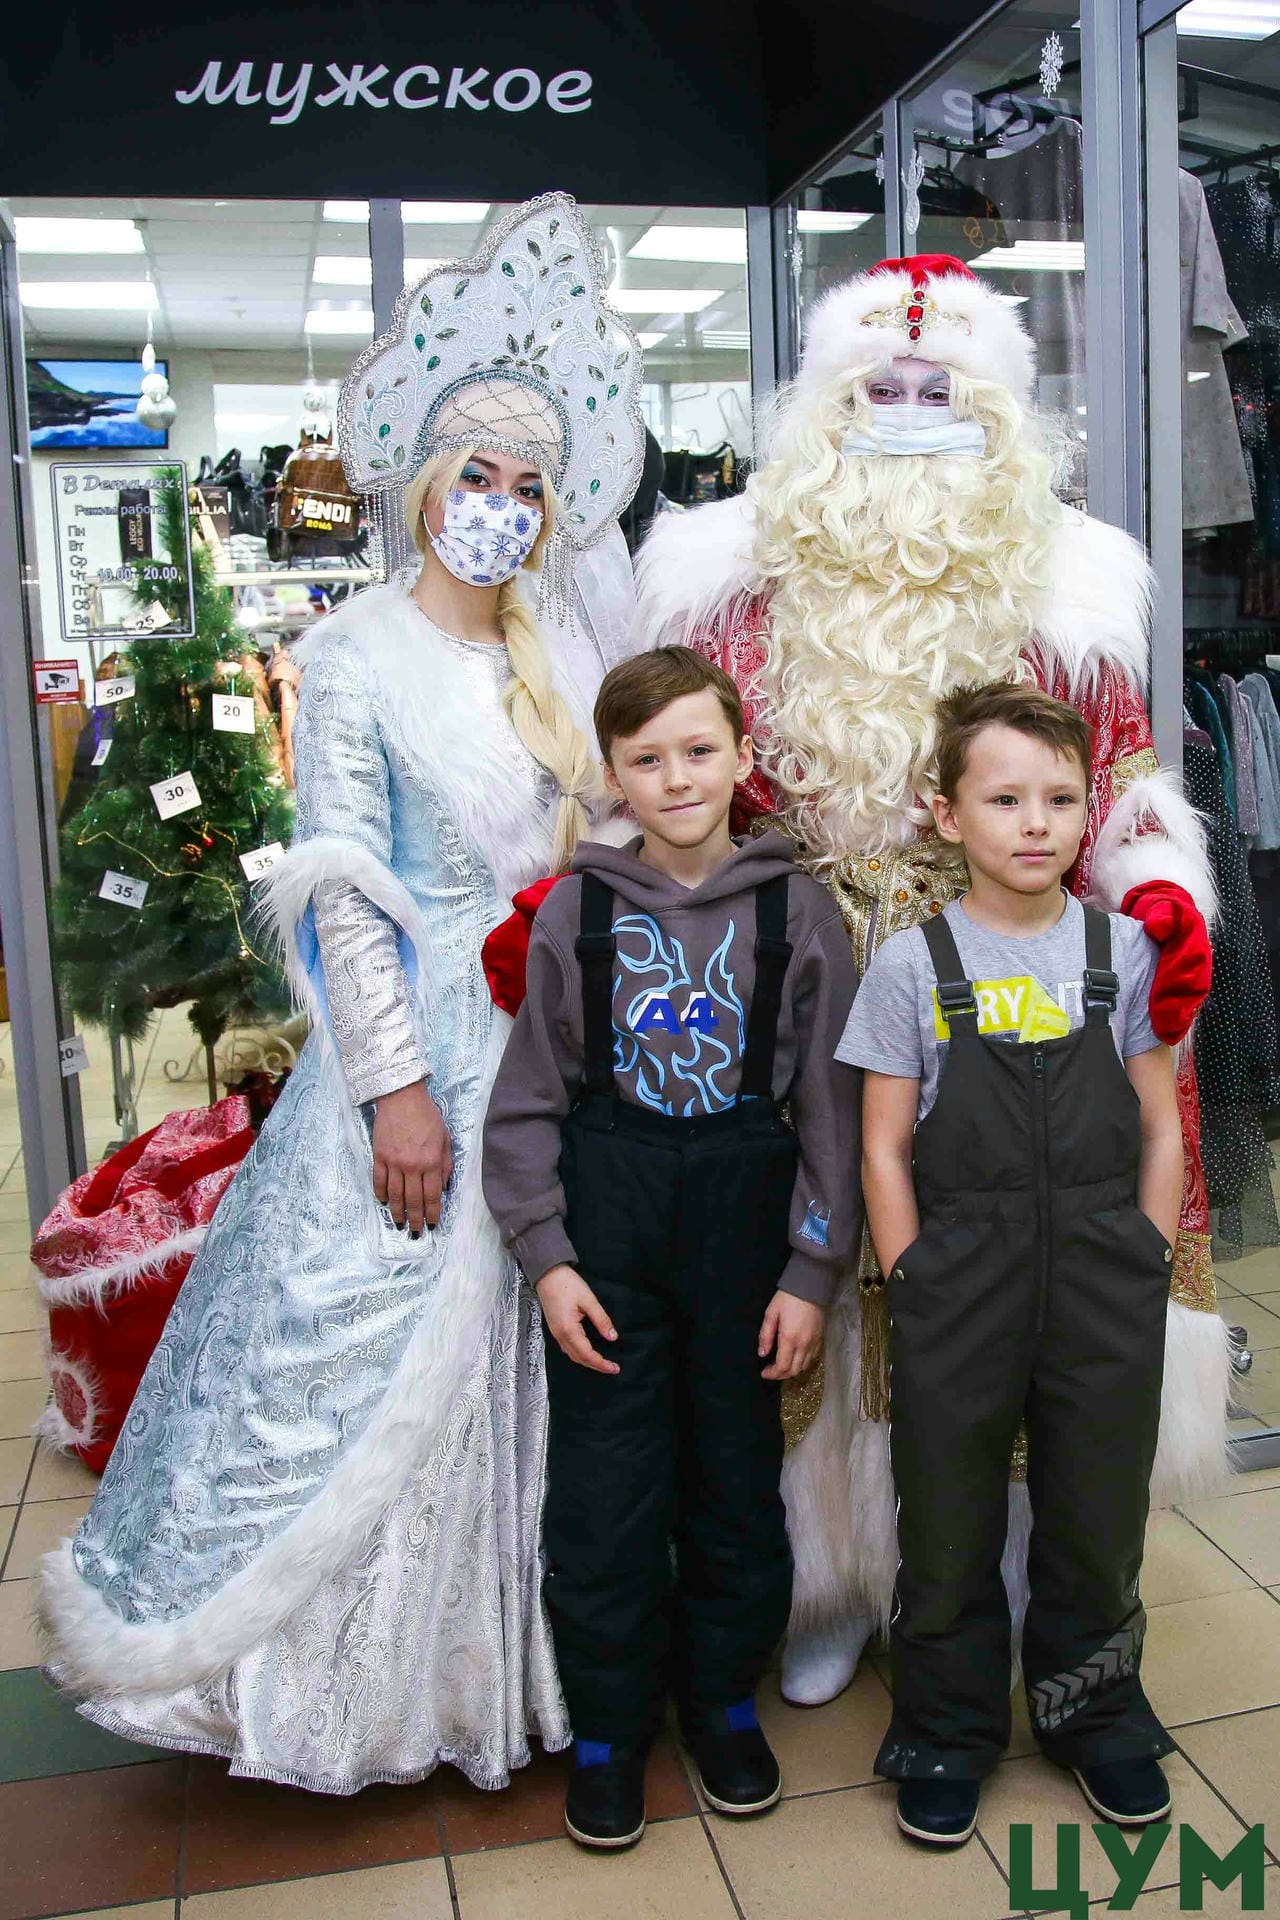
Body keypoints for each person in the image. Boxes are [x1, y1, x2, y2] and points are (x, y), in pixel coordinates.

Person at [38, 193, 647, 1794]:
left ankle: (522, 1672)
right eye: (478, 479)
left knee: (553, 1367)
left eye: (529, 487)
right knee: (359, 1357)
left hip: (562, 1050)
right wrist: (395, 1093)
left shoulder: (566, 658)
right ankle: (328, 1691)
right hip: (426, 1050)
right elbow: (346, 895)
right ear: (426, 485)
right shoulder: (357, 652)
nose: (500, 509)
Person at [634, 253, 1225, 1709]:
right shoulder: (724, 584)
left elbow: (1123, 780)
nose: (906, 414)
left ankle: (996, 1580)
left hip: (1001, 979)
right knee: (807, 1270)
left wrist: (1158, 888)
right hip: (783, 982)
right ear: (820, 416)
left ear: (1001, 421)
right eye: (877, 390)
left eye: (939, 392)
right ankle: (829, 1581)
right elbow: (670, 779)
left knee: (991, 1275)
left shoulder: (1069, 586)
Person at [482, 645, 860, 1849]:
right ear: (613, 774)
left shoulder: (796, 912)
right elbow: (526, 1104)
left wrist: (810, 1272)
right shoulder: (573, 913)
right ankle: (609, 1726)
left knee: (732, 1484)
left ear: (742, 756)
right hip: (609, 1230)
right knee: (605, 1491)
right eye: (647, 759)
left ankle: (720, 1702)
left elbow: (831, 1119)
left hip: (745, 1229)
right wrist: (546, 1258)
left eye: (699, 750)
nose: (678, 777)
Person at [841, 682, 1179, 1845]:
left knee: (1096, 1512)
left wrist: (1143, 1253)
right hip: (957, 1282)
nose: (1034, 823)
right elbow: (881, 1145)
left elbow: (1158, 1124)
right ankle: (945, 1729)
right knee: (946, 1520)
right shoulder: (908, 966)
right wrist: (910, 1273)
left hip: (1101, 1277)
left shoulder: (1120, 951)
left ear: (1086, 812)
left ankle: (1096, 1717)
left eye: (1059, 799)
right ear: (945, 814)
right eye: (1003, 799)